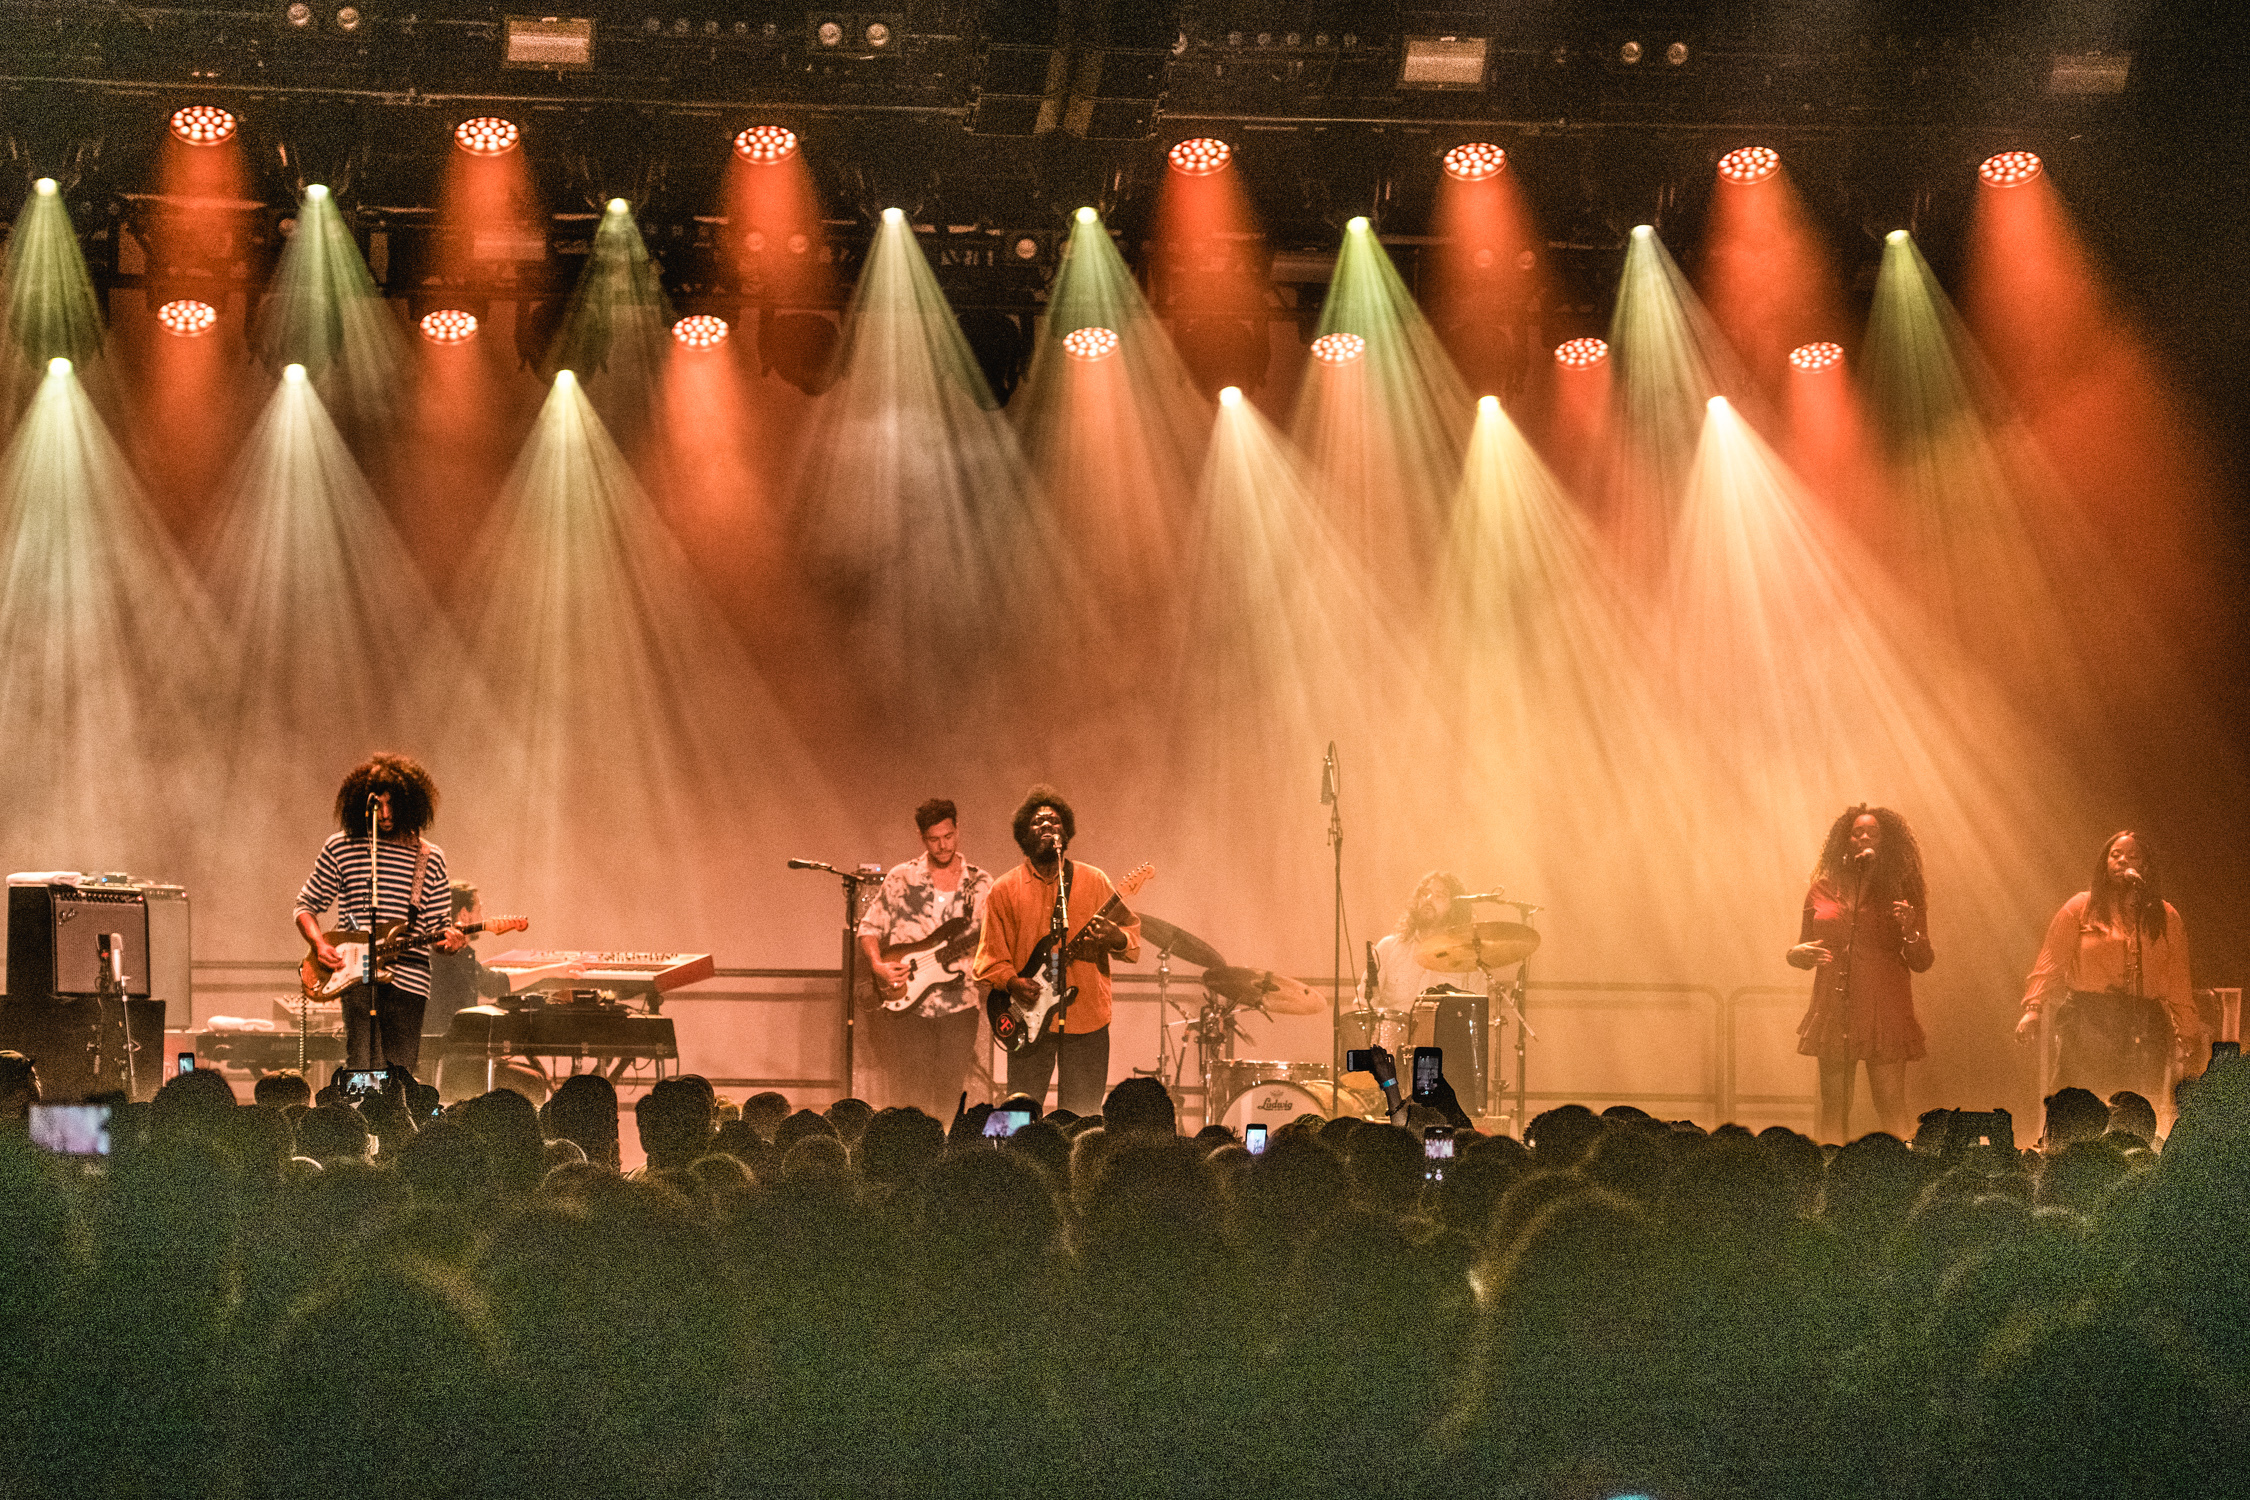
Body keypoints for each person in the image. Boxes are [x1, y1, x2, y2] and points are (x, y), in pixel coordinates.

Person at [972, 785, 1141, 1116]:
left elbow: (1130, 933)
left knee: (1082, 1115)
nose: (1048, 826)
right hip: (1027, 1016)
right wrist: (1012, 982)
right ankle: (1010, 1153)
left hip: (1087, 1018)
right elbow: (989, 957)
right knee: (1018, 1116)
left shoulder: (1094, 880)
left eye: (1055, 821)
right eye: (1038, 822)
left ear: (1067, 832)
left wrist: (1115, 937)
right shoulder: (1004, 889)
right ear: (1024, 834)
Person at [293, 754, 465, 1075]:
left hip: (410, 981)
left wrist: (450, 942)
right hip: (356, 976)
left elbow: (439, 928)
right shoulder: (341, 847)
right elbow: (306, 906)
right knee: (361, 1068)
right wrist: (320, 944)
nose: (385, 814)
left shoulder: (430, 857)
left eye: (392, 804)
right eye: (378, 805)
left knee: (400, 1075)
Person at [2017, 830, 2205, 1106]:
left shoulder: (2165, 916)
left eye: (2132, 856)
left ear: (2145, 866)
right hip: (2088, 1019)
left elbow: (2177, 975)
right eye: (2115, 855)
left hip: (2144, 1023)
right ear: (2104, 863)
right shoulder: (2080, 907)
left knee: (2137, 1104)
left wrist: (2187, 1028)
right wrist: (2033, 1008)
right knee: (2081, 1102)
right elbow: (2051, 960)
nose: (2122, 860)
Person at [1786, 804, 1933, 1143]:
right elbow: (1803, 949)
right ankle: (1830, 1169)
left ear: (1886, 842)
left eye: (1873, 832)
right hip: (1836, 1001)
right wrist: (1795, 955)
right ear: (1845, 840)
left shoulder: (1902, 890)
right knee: (1834, 1104)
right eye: (1857, 832)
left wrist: (1910, 929)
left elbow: (1922, 961)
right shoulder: (1822, 889)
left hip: (1885, 1002)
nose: (1864, 837)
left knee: (1890, 1103)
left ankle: (1904, 1170)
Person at [854, 798, 994, 1119]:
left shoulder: (981, 883)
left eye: (948, 836)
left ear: (957, 829)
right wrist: (878, 965)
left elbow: (995, 937)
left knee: (950, 1093)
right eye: (934, 839)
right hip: (908, 1006)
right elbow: (870, 927)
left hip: (960, 1004)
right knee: (909, 1095)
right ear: (921, 837)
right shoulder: (902, 877)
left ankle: (944, 1149)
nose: (943, 845)